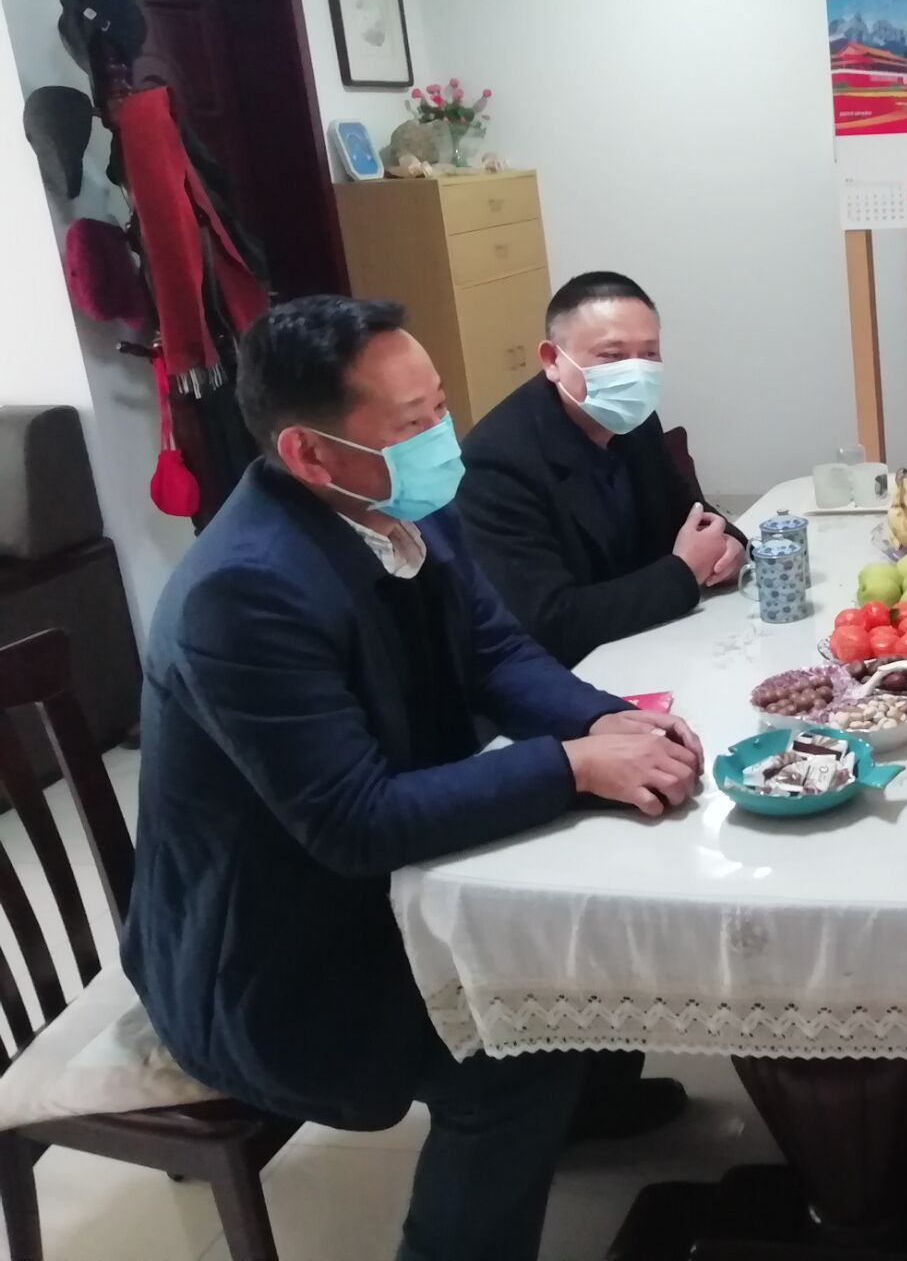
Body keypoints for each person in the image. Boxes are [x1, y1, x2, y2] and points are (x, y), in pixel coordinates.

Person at [123, 296, 708, 1261]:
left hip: (365, 888)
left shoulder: (402, 504)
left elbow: (495, 652)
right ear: (310, 454)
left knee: (582, 908)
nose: (444, 436)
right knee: (513, 1049)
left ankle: (587, 1103)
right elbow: (353, 820)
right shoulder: (244, 591)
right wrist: (572, 764)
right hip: (274, 955)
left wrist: (603, 719)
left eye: (440, 405)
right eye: (414, 423)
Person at [457, 271, 746, 669]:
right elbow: (549, 622)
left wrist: (730, 548)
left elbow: (689, 512)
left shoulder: (633, 419)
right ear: (552, 360)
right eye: (612, 356)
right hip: (576, 672)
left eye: (649, 354)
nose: (636, 373)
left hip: (654, 642)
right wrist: (683, 572)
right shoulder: (496, 462)